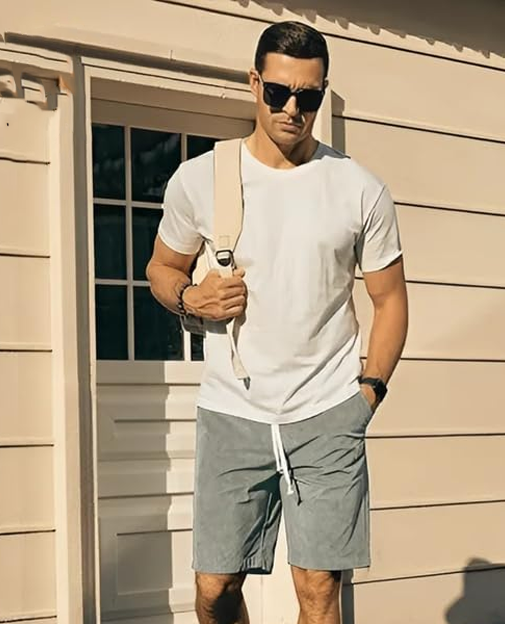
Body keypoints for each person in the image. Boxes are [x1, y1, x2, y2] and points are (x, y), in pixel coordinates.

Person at [146, 20, 408, 624]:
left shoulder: (359, 188)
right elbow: (161, 268)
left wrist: (368, 392)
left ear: (322, 93)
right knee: (215, 588)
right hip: (233, 410)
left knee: (319, 589)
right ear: (254, 83)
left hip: (328, 411)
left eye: (308, 96)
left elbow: (391, 299)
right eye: (279, 92)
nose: (293, 108)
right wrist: (191, 299)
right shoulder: (202, 179)